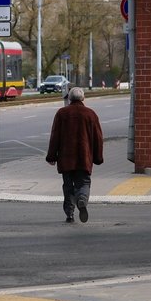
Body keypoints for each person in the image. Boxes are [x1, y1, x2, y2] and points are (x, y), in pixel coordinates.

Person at [45, 87, 104, 223]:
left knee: (68, 186)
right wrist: (98, 157)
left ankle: (69, 214)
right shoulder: (91, 114)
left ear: (69, 98)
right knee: (83, 183)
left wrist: (51, 156)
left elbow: (55, 136)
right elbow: (98, 138)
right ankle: (82, 199)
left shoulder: (61, 113)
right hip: (84, 157)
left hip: (66, 159)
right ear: (83, 98)